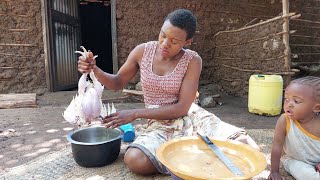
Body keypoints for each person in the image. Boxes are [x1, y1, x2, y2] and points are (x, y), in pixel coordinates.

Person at [78, 9, 259, 175]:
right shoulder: (143, 51)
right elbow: (117, 83)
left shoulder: (192, 61)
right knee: (135, 160)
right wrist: (94, 69)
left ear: (187, 42)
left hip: (190, 117)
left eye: (174, 41)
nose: (165, 44)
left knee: (245, 145)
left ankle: (188, 157)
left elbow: (182, 108)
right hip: (158, 123)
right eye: (163, 36)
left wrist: (135, 114)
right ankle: (194, 159)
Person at [268, 76, 320, 180]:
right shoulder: (284, 120)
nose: (289, 104)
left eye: (296, 101)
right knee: (308, 176)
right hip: (294, 160)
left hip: (317, 160)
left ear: (316, 107)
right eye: (286, 99)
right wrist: (274, 171)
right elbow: (277, 146)